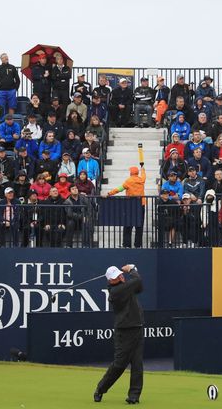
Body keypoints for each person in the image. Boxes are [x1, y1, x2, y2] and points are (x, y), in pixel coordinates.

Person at [94, 264, 144, 404]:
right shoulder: (117, 291)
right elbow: (137, 281)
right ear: (111, 281)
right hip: (124, 331)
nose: (120, 276)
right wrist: (132, 268)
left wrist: (132, 274)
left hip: (137, 328)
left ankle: (134, 396)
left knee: (137, 365)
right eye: (116, 276)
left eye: (120, 274)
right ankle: (100, 388)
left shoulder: (125, 285)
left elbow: (139, 287)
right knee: (119, 365)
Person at [105, 163, 146, 248]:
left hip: (130, 205)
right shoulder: (142, 180)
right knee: (139, 226)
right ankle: (138, 245)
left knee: (128, 225)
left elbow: (119, 189)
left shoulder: (129, 181)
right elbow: (144, 175)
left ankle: (127, 244)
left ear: (131, 173)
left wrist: (109, 193)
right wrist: (142, 168)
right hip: (141, 205)